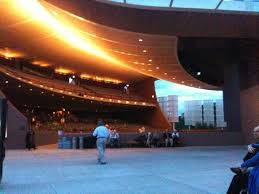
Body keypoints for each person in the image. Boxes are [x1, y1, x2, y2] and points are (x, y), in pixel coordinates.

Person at [227, 125, 259, 194]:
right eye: (254, 131)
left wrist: (243, 166)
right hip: (253, 168)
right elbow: (247, 159)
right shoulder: (256, 144)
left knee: (238, 179)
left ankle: (242, 170)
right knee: (239, 178)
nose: (254, 133)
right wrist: (250, 146)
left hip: (255, 170)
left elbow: (253, 160)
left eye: (257, 131)